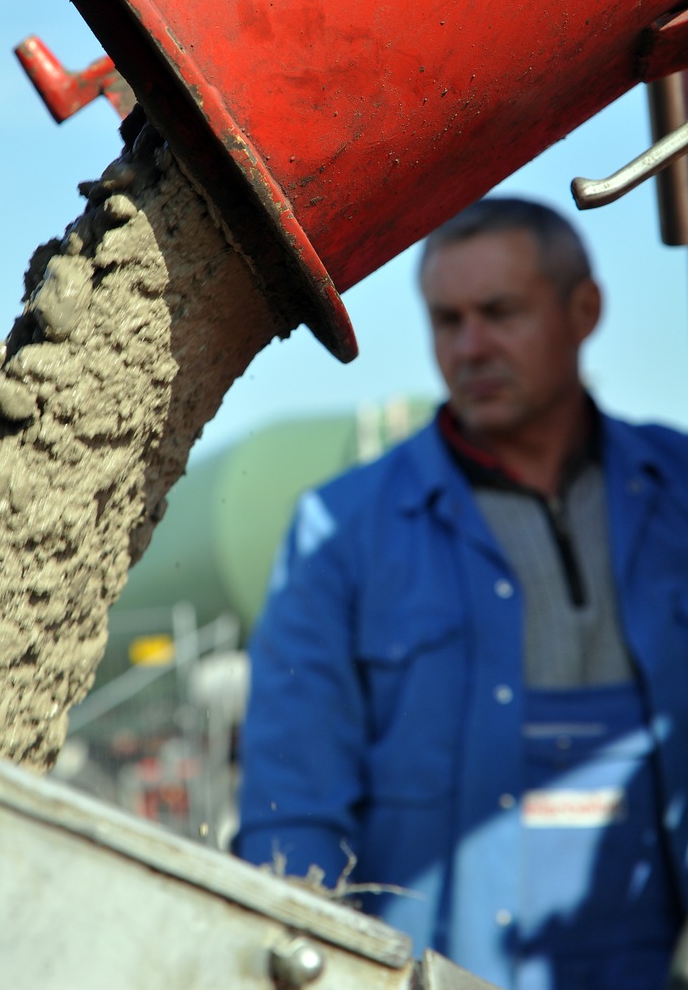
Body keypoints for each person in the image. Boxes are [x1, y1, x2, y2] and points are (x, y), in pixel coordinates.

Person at [234, 197, 688, 990]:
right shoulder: (341, 533)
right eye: (446, 321)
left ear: (584, 310)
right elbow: (293, 811)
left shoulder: (677, 491)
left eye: (499, 313)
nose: (469, 347)